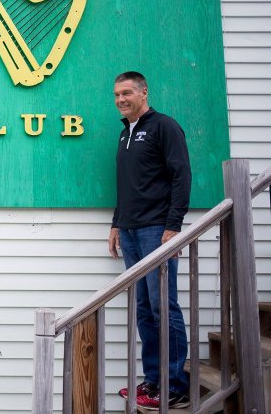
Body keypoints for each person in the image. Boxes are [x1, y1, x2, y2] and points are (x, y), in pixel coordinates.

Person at [108, 71, 191, 410]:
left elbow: (181, 175)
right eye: (116, 95)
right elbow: (127, 183)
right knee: (144, 308)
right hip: (129, 231)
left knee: (162, 307)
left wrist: (173, 226)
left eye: (126, 92)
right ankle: (154, 381)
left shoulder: (164, 126)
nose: (120, 99)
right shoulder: (125, 133)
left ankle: (175, 386)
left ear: (144, 92)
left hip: (155, 230)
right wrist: (117, 223)